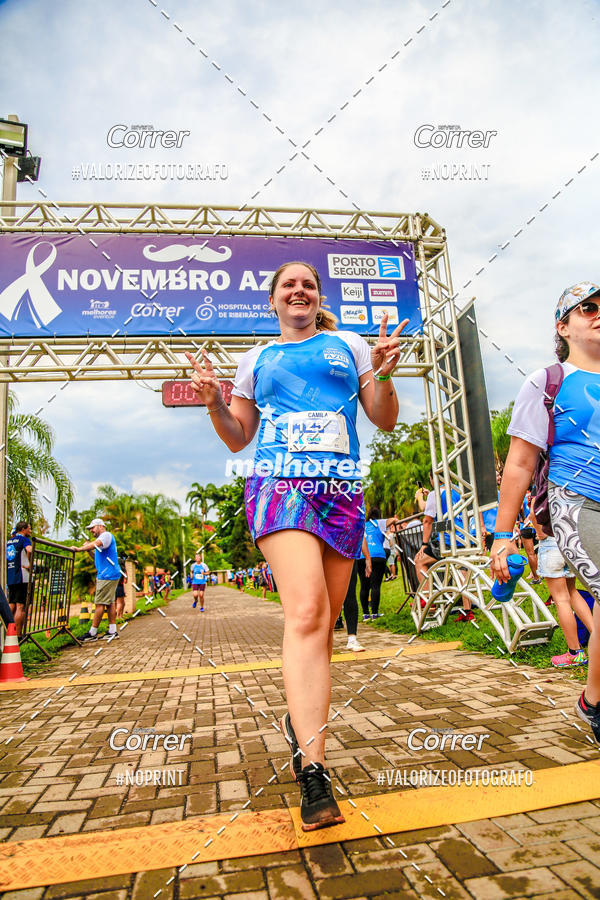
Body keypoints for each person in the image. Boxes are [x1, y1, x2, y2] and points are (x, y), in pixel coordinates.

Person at [186, 260, 405, 831]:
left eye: (307, 283)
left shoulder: (349, 346)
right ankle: (314, 771)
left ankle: (300, 719)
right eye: (288, 284)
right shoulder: (256, 360)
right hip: (278, 485)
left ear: (317, 296)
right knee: (305, 611)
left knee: (324, 624)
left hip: (340, 493)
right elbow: (239, 438)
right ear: (274, 300)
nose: (299, 290)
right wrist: (213, 401)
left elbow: (382, 419)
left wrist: (382, 375)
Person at [491, 281, 600, 745]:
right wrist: (501, 534)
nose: (598, 313)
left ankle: (592, 699)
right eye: (588, 308)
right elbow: (519, 461)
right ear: (564, 326)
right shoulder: (548, 381)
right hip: (576, 502)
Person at [530, 506, 592, 666]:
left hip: (551, 543)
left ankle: (575, 652)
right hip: (569, 541)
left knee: (561, 599)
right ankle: (596, 637)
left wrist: (539, 533)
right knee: (572, 593)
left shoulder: (542, 483)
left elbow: (534, 511)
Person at [415, 471, 472, 620]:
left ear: (433, 479)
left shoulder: (435, 494)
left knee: (419, 560)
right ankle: (467, 610)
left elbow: (427, 520)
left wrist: (424, 544)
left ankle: (428, 601)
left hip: (447, 541)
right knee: (462, 570)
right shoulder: (459, 491)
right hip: (466, 537)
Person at [72, 518, 120, 641]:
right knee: (110, 603)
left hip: (107, 575)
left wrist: (79, 549)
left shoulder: (106, 536)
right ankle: (112, 631)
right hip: (109, 574)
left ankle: (92, 633)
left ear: (100, 526)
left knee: (99, 604)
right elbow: (96, 554)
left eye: (92, 528)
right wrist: (88, 550)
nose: (91, 530)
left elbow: (95, 544)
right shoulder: (104, 539)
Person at [357, 508, 396, 620]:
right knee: (375, 586)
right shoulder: (380, 523)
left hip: (362, 556)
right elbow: (393, 520)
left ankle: (365, 614)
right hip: (378, 556)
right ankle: (374, 613)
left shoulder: (363, 525)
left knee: (364, 586)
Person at [6, 522, 32, 635]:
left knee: (11, 605)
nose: (30, 531)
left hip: (11, 576)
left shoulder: (9, 541)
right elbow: (30, 550)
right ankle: (18, 635)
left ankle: (8, 633)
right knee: (21, 606)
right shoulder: (23, 539)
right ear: (23, 529)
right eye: (29, 529)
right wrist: (30, 563)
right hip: (22, 576)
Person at [115, 556, 127, 621]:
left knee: (119, 603)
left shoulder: (114, 568)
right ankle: (118, 616)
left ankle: (119, 615)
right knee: (120, 603)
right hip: (119, 586)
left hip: (114, 586)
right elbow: (126, 580)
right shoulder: (122, 570)